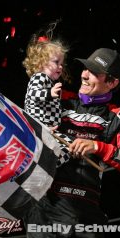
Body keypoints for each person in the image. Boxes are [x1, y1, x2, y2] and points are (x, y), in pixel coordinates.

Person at [23, 48, 120, 238]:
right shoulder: (59, 98)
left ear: (112, 82)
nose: (85, 75)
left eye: (95, 72)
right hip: (45, 207)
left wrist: (98, 147)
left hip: (86, 217)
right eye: (85, 68)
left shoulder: (119, 116)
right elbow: (23, 123)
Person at [23, 30, 72, 166]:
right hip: (39, 126)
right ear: (40, 62)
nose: (60, 67)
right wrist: (49, 94)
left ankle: (46, 166)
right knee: (68, 147)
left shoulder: (49, 81)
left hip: (47, 128)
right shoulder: (39, 77)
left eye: (62, 63)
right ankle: (44, 166)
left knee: (68, 148)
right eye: (56, 62)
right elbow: (33, 94)